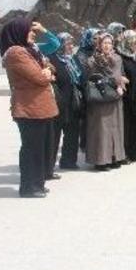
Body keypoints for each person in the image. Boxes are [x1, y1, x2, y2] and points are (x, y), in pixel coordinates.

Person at [1, 18, 59, 198]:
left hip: (39, 107)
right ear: (18, 32)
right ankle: (29, 186)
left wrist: (47, 71)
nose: (33, 33)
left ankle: (37, 183)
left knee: (39, 147)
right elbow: (40, 77)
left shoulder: (30, 51)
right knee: (31, 148)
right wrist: (47, 72)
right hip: (29, 107)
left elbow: (51, 68)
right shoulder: (16, 52)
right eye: (29, 30)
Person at [84, 33, 128, 170]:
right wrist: (118, 81)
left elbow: (121, 74)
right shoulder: (92, 60)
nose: (107, 45)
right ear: (99, 44)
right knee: (102, 129)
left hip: (115, 96)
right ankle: (101, 160)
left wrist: (122, 82)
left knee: (116, 127)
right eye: (104, 43)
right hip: (101, 97)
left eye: (109, 43)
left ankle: (115, 157)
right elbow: (93, 77)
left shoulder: (118, 58)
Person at [49, 33, 82, 170]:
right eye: (68, 44)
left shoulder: (73, 59)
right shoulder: (52, 60)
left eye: (72, 43)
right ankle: (48, 166)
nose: (71, 46)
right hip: (59, 103)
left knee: (72, 134)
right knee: (54, 136)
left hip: (73, 103)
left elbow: (81, 76)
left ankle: (69, 161)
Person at [117, 30, 136, 162]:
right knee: (126, 125)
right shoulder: (120, 56)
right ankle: (124, 153)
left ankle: (135, 152)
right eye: (134, 42)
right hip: (126, 95)